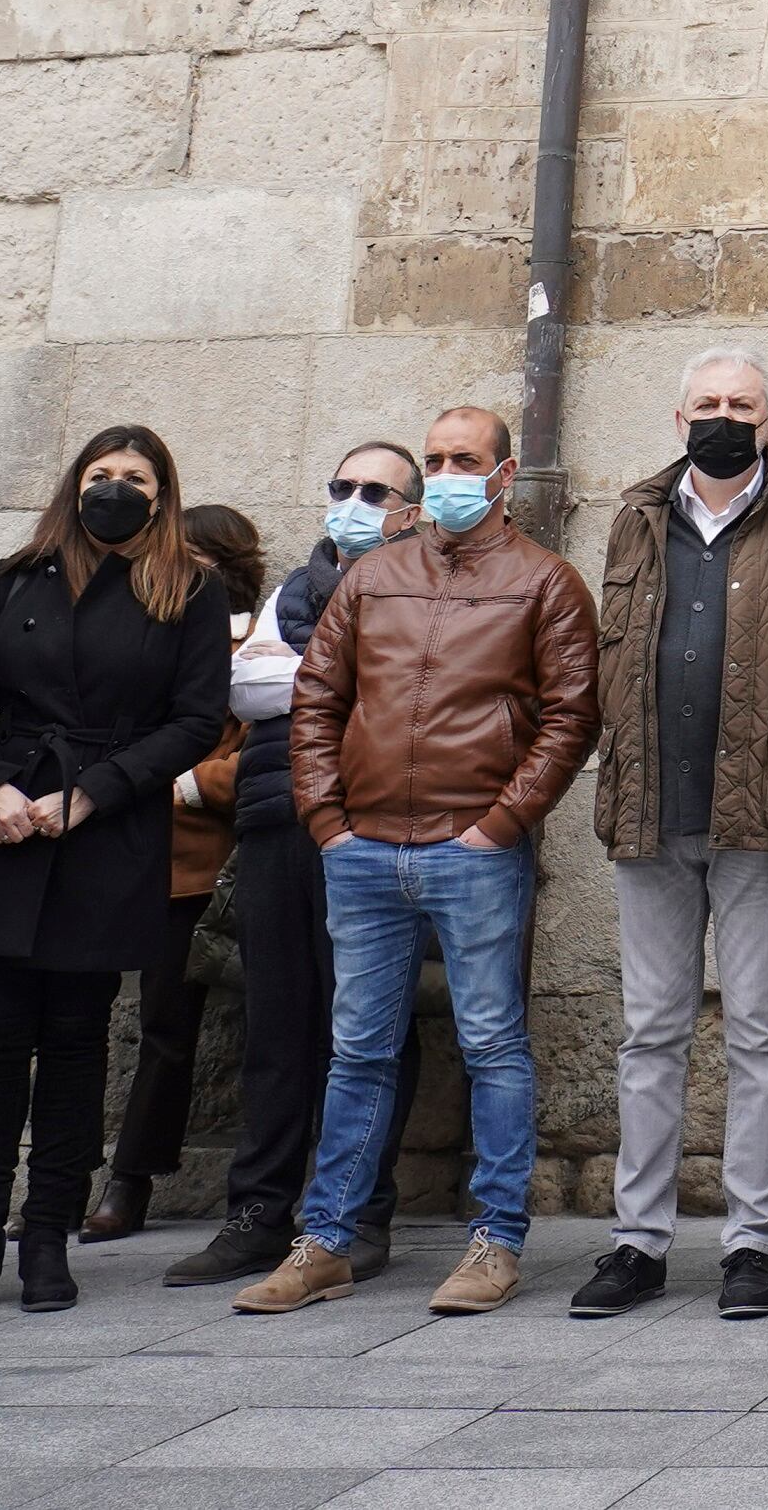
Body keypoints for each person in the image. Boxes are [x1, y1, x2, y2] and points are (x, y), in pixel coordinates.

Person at [236, 405, 600, 1321]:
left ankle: (497, 1240)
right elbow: (317, 696)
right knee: (357, 1048)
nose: (446, 475)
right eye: (434, 459)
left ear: (504, 475)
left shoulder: (547, 582)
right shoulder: (376, 575)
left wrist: (501, 824)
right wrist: (326, 820)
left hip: (472, 850)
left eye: (464, 459)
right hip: (362, 850)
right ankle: (323, 1242)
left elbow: (570, 716)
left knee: (492, 1045)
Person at [571, 347, 768, 1324]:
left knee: (760, 1029)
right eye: (707, 402)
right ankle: (638, 1241)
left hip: (762, 814)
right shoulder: (633, 517)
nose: (724, 416)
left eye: (742, 403)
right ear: (678, 412)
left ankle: (750, 1244)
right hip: (651, 808)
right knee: (649, 1030)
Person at [0, 428, 231, 1316]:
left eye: (134, 478)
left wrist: (94, 794)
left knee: (74, 1038)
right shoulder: (18, 573)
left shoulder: (191, 589)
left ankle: (49, 1239)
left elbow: (195, 719)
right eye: (99, 474)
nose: (114, 488)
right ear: (74, 486)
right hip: (2, 826)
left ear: (162, 492)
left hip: (107, 829)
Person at [160, 444, 423, 1289]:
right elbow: (241, 690)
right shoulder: (291, 589)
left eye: (374, 490)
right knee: (275, 1025)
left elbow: (410, 692)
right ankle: (256, 1213)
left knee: (373, 1023)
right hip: (276, 822)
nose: (352, 500)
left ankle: (357, 1214)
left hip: (379, 825)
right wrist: (339, 679)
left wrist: (302, 674)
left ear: (409, 509)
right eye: (342, 487)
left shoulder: (422, 584)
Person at [85, 504, 267, 1242]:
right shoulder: (141, 631)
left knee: (169, 1026)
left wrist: (181, 784)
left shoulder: (256, 641)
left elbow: (263, 748)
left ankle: (129, 1183)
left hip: (196, 864)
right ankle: (65, 1179)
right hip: (111, 851)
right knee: (81, 1023)